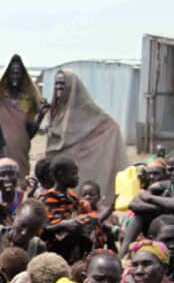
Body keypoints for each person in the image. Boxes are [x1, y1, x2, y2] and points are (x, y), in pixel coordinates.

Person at [44, 67, 126, 208]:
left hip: (82, 162)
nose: (59, 88)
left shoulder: (86, 109)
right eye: (57, 84)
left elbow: (108, 125)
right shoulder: (56, 110)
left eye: (63, 85)